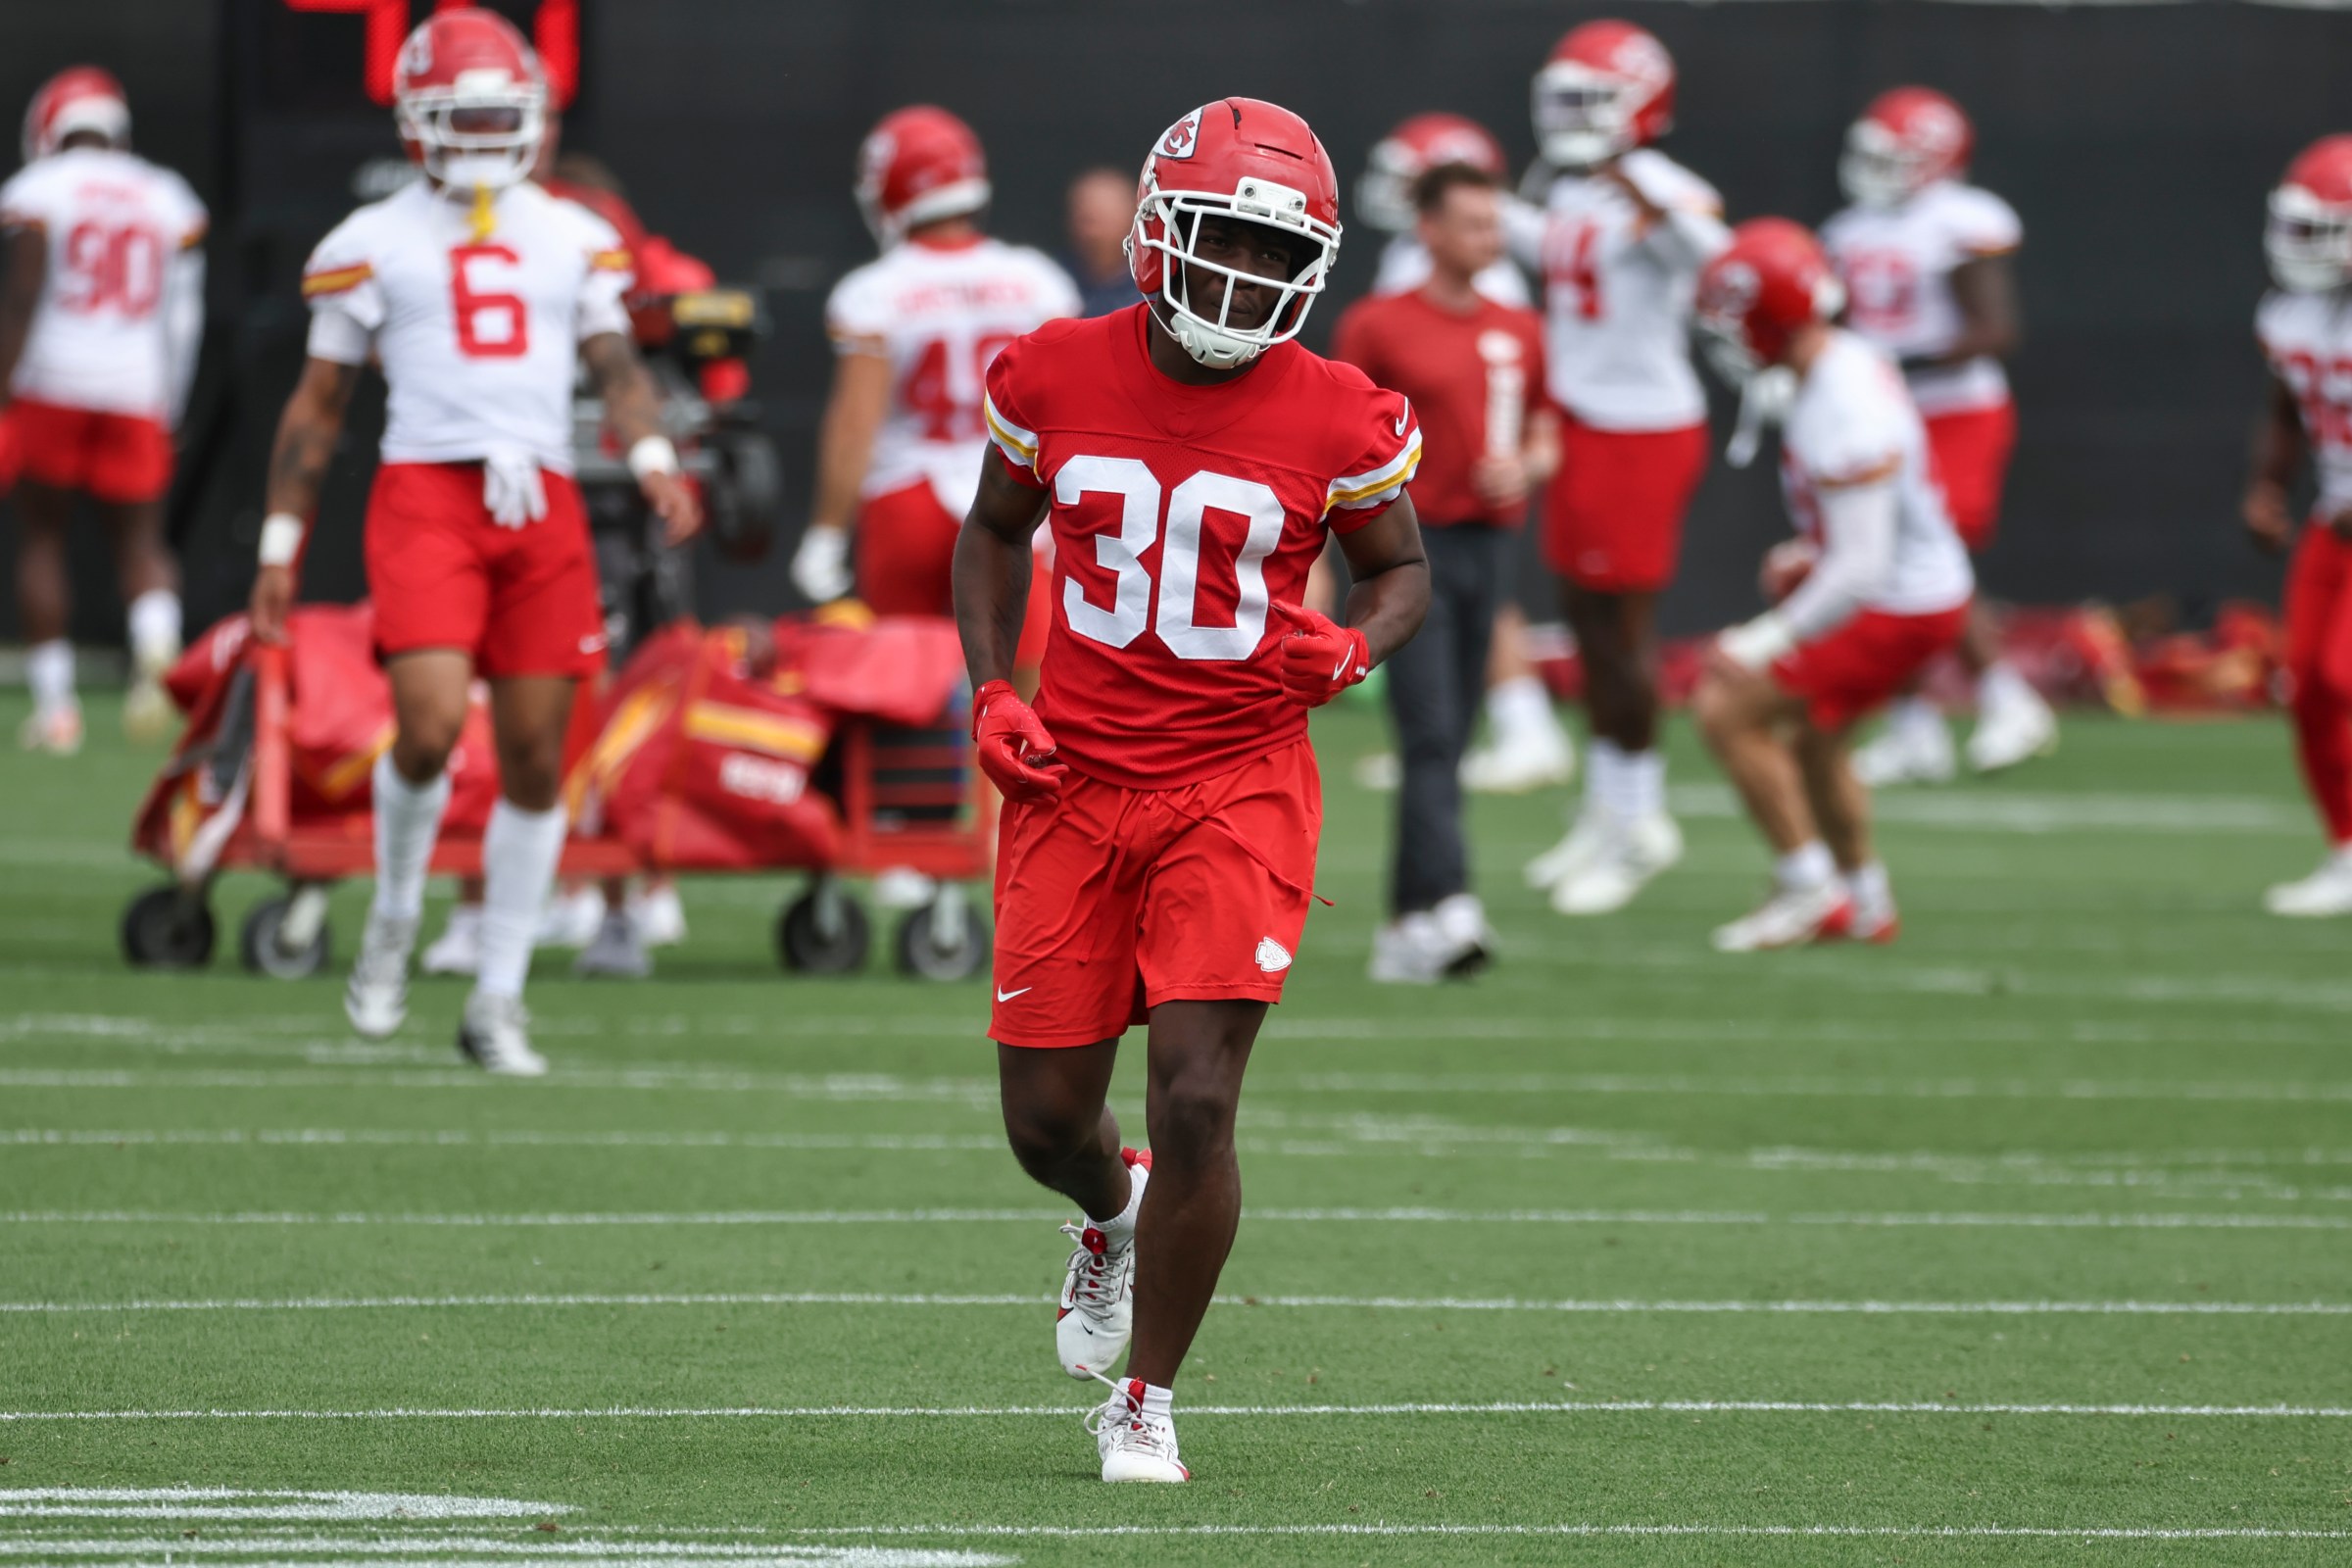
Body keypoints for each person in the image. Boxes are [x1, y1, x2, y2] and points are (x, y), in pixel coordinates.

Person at [953, 99, 1428, 1482]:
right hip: (1075, 776)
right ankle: (1112, 1214)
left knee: (1199, 1097)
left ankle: (1146, 1397)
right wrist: (991, 687)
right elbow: (992, 531)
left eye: (1276, 256)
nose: (1245, 277)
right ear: (1159, 230)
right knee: (1046, 1119)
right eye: (1223, 239)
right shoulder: (1053, 369)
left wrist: (1354, 646)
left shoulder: (1339, 410)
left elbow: (1401, 571)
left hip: (1238, 778)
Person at [247, 7, 699, 1073]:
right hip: (427, 493)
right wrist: (277, 544)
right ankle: (396, 914)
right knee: (431, 725)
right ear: (417, 120)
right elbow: (317, 408)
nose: (488, 135)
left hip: (540, 496)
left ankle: (497, 994)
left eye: (502, 115)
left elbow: (616, 365)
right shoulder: (368, 241)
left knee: (541, 755)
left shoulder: (572, 232)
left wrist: (650, 455)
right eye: (467, 115)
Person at [1688, 219, 1973, 950]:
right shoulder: (1839, 364)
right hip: (1915, 588)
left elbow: (1861, 567)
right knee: (1818, 741)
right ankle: (1867, 902)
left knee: (1726, 708)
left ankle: (1810, 887)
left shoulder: (1842, 401)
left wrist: (1764, 639)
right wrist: (1809, 549)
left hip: (1898, 601)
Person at [1508, 20, 1727, 915]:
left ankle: (1641, 821)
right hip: (1582, 419)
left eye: (1590, 100)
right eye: (1564, 99)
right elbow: (1551, 258)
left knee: (1625, 633)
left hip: (1640, 427)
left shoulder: (1660, 184)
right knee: (1587, 627)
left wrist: (1645, 192)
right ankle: (1607, 807)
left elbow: (1721, 265)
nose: (1571, 117)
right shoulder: (1572, 189)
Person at [1333, 162, 1552, 983]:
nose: (1489, 239)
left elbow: (1547, 431)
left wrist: (1526, 467)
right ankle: (1452, 900)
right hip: (1407, 548)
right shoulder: (1379, 323)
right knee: (1428, 729)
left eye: (1495, 224)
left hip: (1490, 544)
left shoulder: (1519, 326)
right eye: (1472, 224)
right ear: (1428, 230)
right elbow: (1340, 434)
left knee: (1451, 738)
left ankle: (1404, 924)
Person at [790, 105, 1078, 669]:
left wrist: (826, 532)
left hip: (908, 496)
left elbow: (855, 422)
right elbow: (1064, 408)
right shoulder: (1037, 280)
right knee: (1023, 683)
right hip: (1014, 489)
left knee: (905, 683)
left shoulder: (876, 290)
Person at [1825, 87, 2052, 785]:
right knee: (1880, 563)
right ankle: (1913, 728)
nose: (1875, 170)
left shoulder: (1960, 220)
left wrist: (1894, 362)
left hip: (1954, 412)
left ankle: (2008, 700)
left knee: (1930, 557)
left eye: (1892, 157)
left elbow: (1996, 331)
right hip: (1882, 414)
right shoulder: (1846, 231)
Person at [1357, 113, 1572, 795]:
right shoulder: (1401, 286)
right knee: (1429, 707)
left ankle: (1521, 726)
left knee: (1467, 642)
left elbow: (1528, 410)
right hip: (1417, 505)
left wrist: (1517, 462)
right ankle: (1495, 737)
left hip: (1468, 505)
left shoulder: (1497, 299)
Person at [0, 66, 205, 753]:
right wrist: (170, 402)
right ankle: (156, 655)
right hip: (136, 386)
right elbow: (183, 318)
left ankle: (57, 711)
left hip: (51, 380)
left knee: (42, 539)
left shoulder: (39, 190)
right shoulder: (166, 194)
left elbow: (21, 300)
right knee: (142, 543)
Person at [2245, 134, 2352, 916]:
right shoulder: (2288, 313)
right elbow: (2286, 408)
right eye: (2296, 225)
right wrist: (2267, 487)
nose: (2298, 244)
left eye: (2320, 229)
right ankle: (2348, 850)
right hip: (2334, 522)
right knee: (2307, 684)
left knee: (2347, 676)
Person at [1062, 167, 1142, 318]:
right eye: (1084, 219)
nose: (1092, 232)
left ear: (1133, 217)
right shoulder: (1051, 276)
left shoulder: (1154, 288)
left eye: (1103, 218)